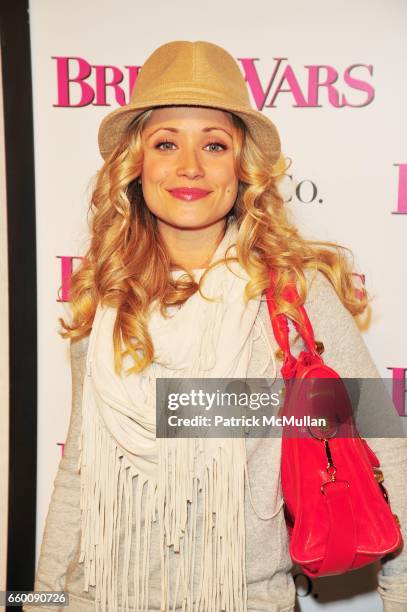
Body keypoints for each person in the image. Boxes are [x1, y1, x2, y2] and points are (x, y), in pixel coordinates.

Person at [24, 40, 407, 612]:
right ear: (137, 163)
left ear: (241, 166)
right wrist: (39, 601)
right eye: (166, 143)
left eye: (214, 144)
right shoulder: (106, 293)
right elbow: (79, 473)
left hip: (242, 599)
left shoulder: (291, 293)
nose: (189, 167)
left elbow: (384, 455)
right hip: (94, 596)